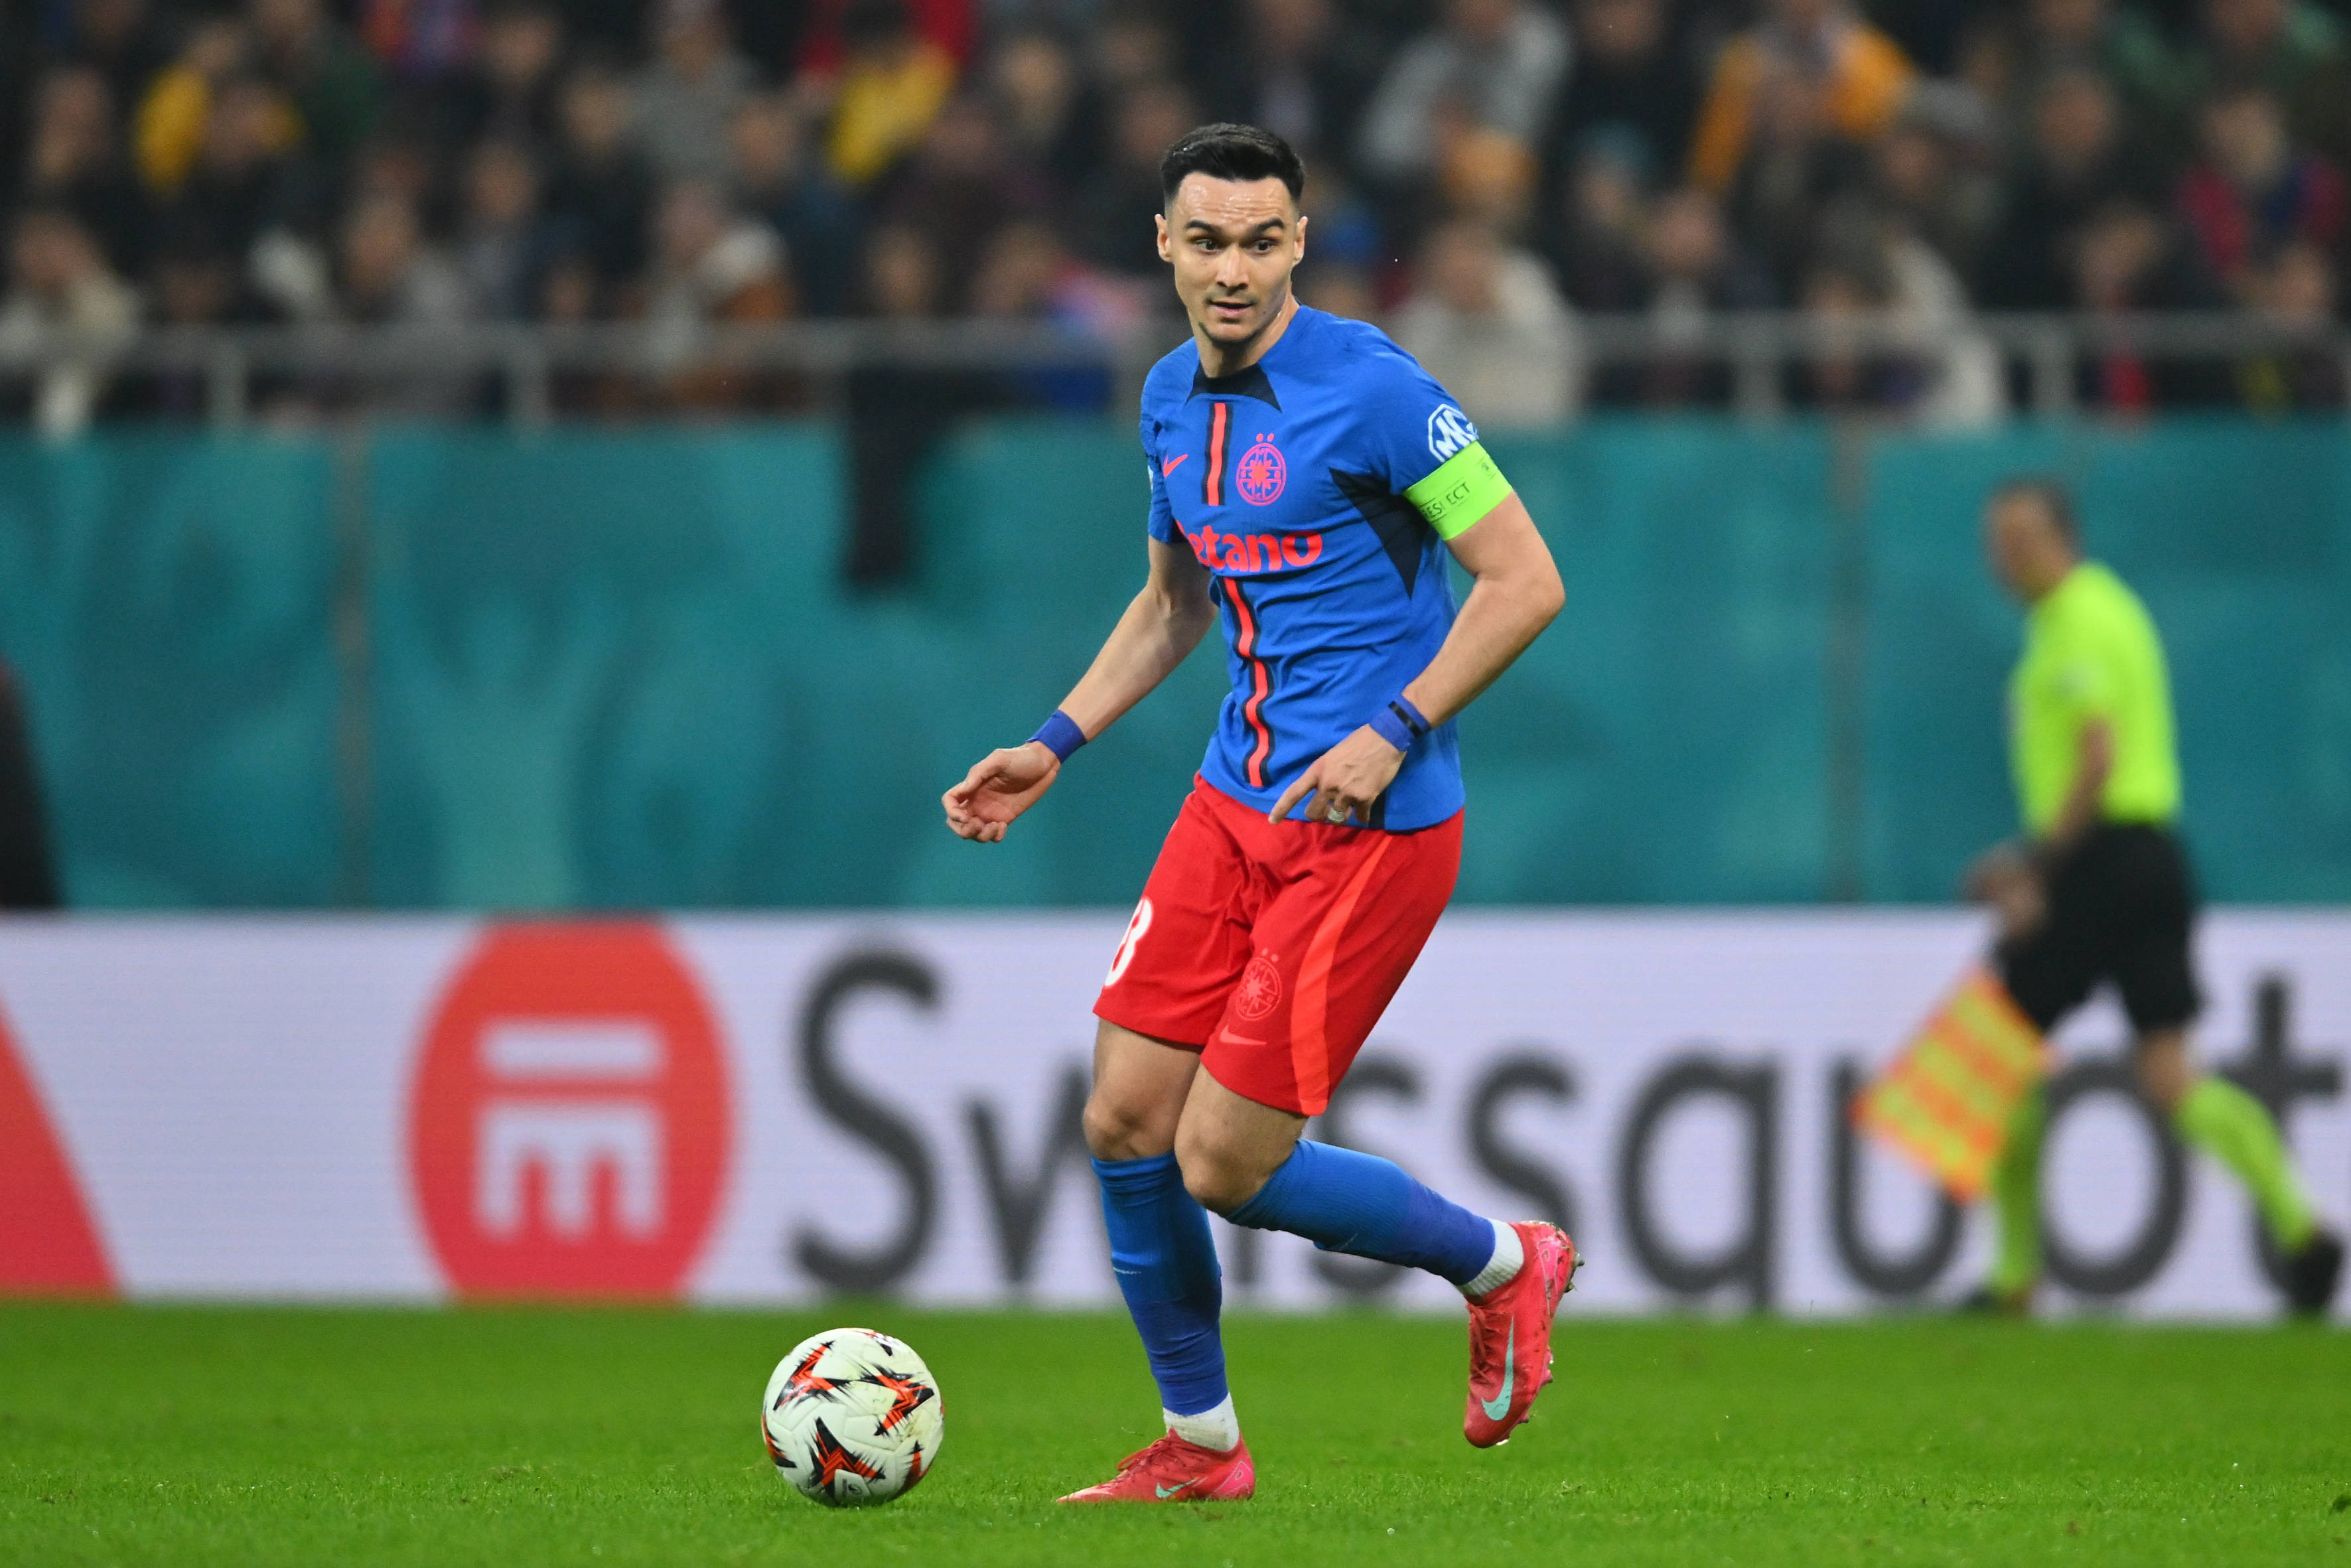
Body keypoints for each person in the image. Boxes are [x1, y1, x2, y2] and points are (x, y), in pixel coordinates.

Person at [942, 123, 1575, 1504]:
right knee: (1123, 1117)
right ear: (1163, 245)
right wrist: (1055, 740)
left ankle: (1502, 1263)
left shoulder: (1379, 390)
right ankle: (1200, 1444)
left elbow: (1524, 579)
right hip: (1233, 800)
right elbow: (1173, 601)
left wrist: (1391, 726)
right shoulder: (1167, 396)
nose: (1232, 269)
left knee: (1223, 1159)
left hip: (1371, 825)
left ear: (1297, 243)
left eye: (1260, 241)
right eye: (1206, 241)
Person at [1965, 478, 2343, 1317]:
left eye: (2018, 539)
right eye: (1996, 541)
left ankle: (2014, 1275)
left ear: (2060, 538)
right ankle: (2303, 1229)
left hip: (2101, 860)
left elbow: (2096, 757)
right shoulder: (2100, 612)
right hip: (2152, 860)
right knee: (2172, 1074)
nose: (2002, 558)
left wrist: (2034, 866)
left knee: (2000, 1048)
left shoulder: (2078, 617)